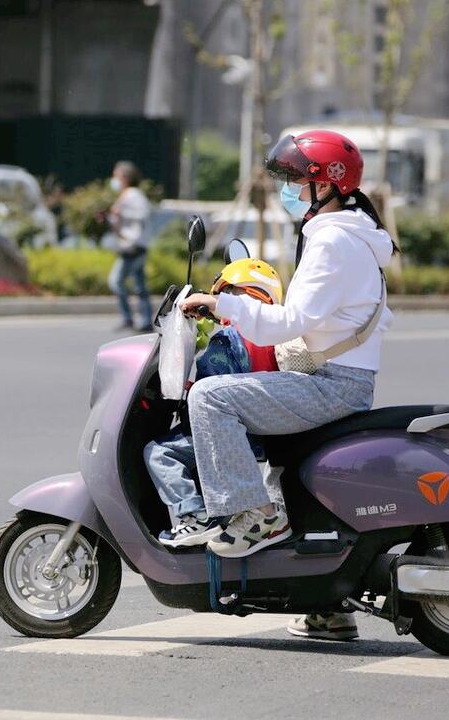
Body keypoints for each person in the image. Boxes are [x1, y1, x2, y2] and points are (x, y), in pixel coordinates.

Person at [179, 129, 394, 642]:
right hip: (333, 374)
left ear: (327, 185)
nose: (288, 189)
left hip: (330, 383)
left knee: (210, 396)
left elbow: (290, 321)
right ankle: (330, 606)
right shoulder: (350, 233)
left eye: (297, 179)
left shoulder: (335, 241)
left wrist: (221, 304)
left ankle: (256, 516)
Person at [144, 258, 283, 547]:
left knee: (159, 453)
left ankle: (196, 517)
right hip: (258, 430)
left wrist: (187, 388)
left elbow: (215, 388)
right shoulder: (269, 335)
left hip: (230, 432)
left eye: (224, 296)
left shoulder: (231, 338)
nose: (216, 307)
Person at [107, 161, 152, 331]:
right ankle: (145, 319)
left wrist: (120, 212)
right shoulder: (127, 195)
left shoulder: (133, 195)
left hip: (133, 246)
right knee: (140, 285)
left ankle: (128, 317)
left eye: (116, 175)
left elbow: (142, 214)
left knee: (116, 281)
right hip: (133, 245)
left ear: (125, 178)